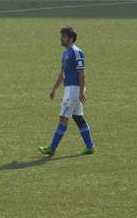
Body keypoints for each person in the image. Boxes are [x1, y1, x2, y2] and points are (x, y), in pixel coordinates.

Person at [38, 26, 95, 156]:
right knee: (78, 117)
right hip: (69, 89)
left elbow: (82, 73)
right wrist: (54, 89)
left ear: (71, 39)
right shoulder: (65, 54)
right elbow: (62, 73)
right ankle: (90, 147)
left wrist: (81, 91)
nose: (61, 39)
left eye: (63, 37)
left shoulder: (76, 52)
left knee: (63, 117)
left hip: (74, 90)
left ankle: (52, 148)